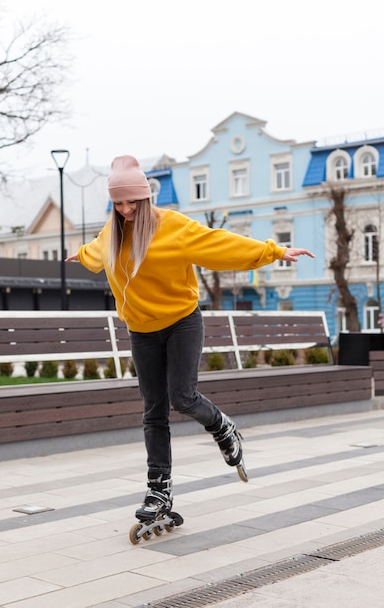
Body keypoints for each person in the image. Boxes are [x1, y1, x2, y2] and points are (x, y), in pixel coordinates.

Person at [66, 155, 315, 523]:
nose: (125, 209)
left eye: (132, 202)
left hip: (182, 322)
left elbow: (221, 244)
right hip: (141, 330)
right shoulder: (112, 233)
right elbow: (95, 253)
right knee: (154, 411)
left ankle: (222, 426)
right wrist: (81, 256)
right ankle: (158, 492)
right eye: (118, 204)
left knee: (182, 396)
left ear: (146, 198)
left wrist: (274, 251)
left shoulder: (173, 227)